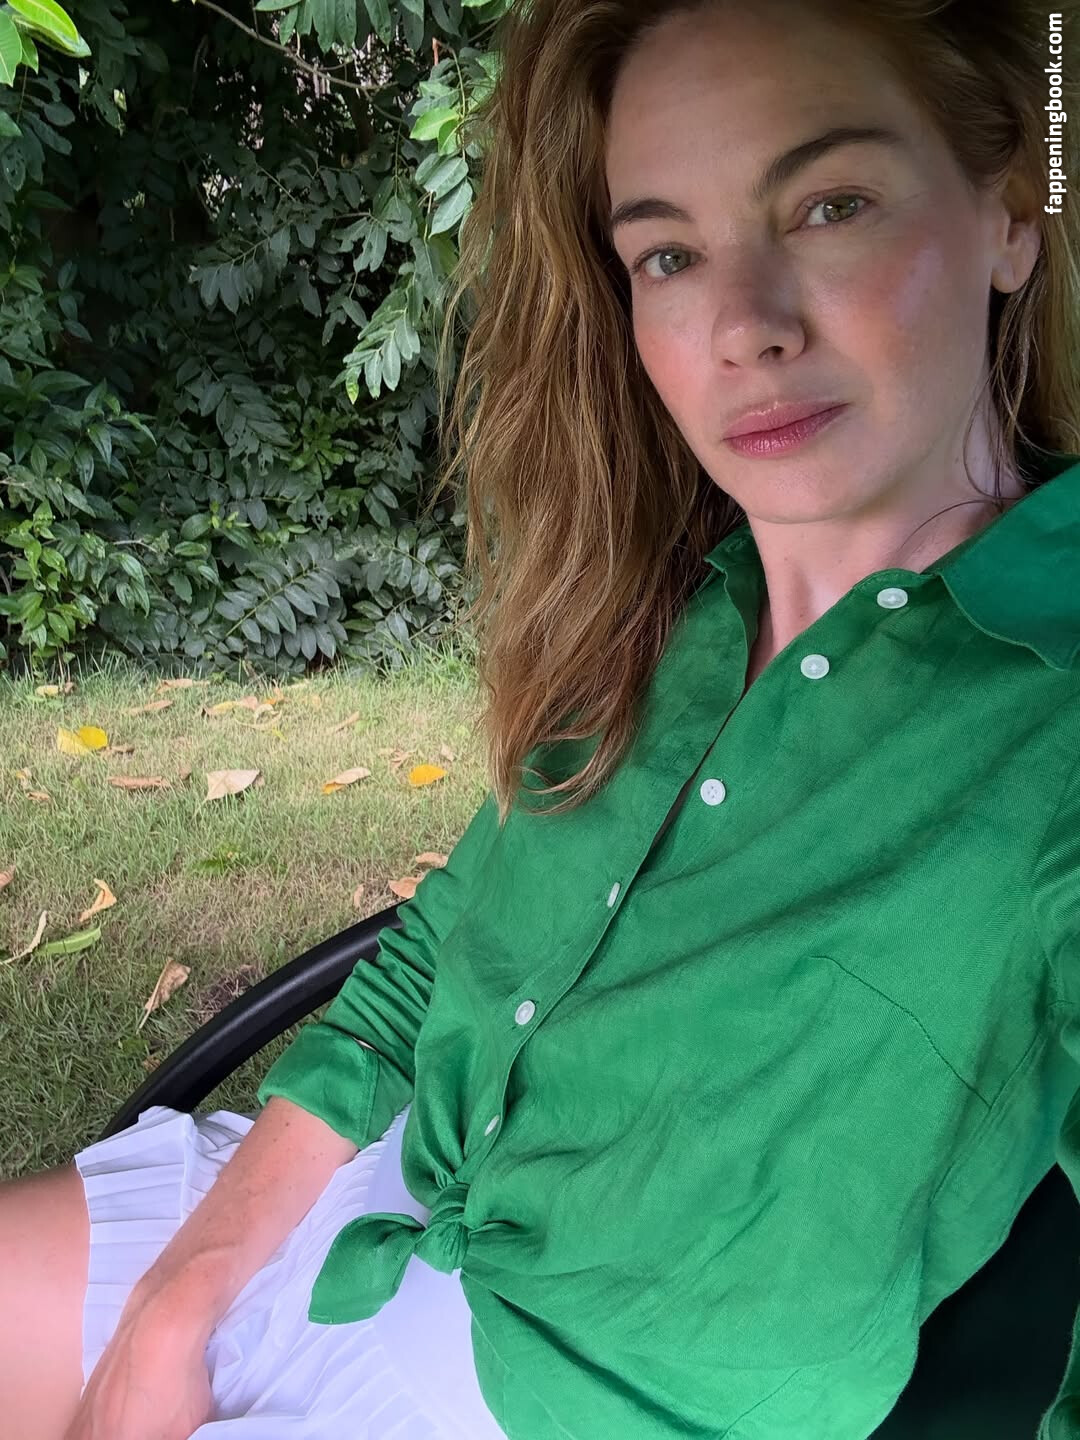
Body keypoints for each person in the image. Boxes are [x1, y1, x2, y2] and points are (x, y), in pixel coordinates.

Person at [3, 0, 1079, 1436]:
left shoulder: (1052, 710)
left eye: (830, 205)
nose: (743, 326)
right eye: (668, 254)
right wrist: (182, 1296)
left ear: (1010, 212)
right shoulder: (659, 609)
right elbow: (442, 948)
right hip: (351, 1205)